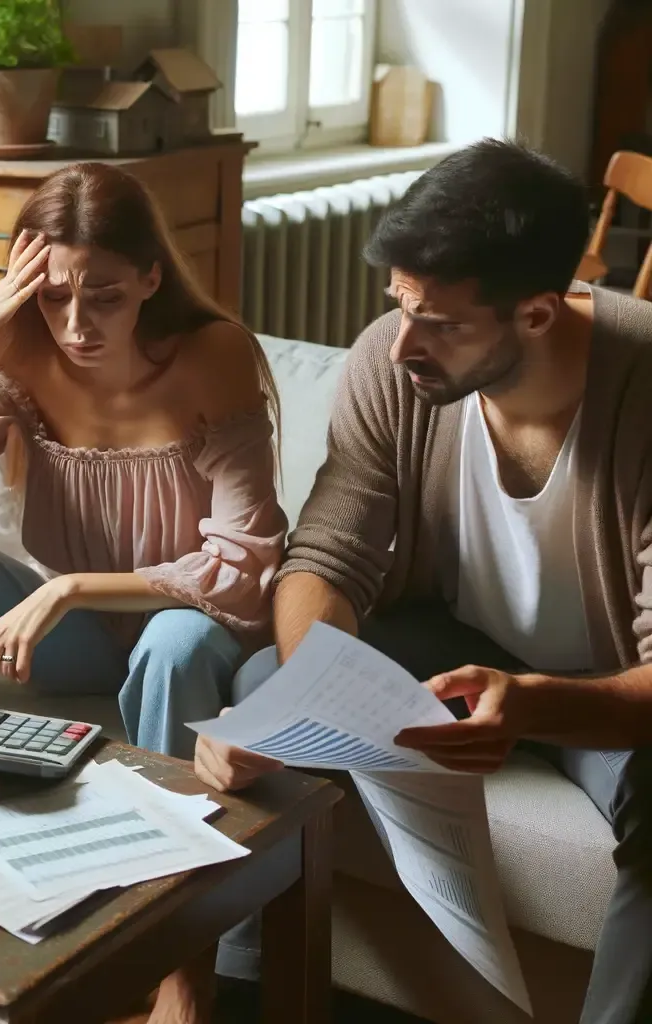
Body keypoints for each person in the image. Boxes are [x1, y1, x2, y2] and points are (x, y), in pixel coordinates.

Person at [190, 139, 652, 1024]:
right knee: (260, 685)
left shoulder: (640, 393)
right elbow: (325, 554)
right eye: (399, 305)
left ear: (539, 315)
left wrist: (535, 705)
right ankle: (246, 996)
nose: (402, 342)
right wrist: (310, 702)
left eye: (439, 322)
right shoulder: (392, 364)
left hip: (611, 680)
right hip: (462, 643)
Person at [0, 161, 286, 767]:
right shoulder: (16, 354)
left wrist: (68, 589)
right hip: (74, 637)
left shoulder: (213, 355)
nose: (77, 326)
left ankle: (177, 833)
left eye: (105, 297)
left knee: (172, 643)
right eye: (54, 298)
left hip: (185, 620)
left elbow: (242, 572)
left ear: (151, 278)